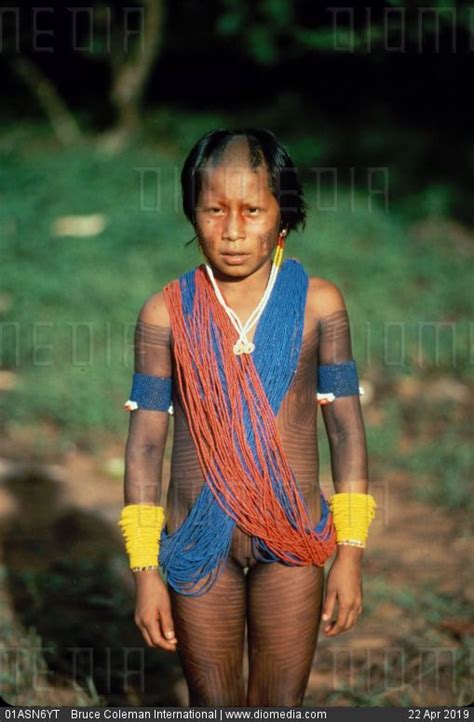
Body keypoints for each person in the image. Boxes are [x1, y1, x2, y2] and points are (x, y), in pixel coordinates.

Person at [118, 129, 376, 707]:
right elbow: (143, 449)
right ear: (192, 212)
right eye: (214, 210)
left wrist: (351, 554)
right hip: (194, 545)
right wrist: (144, 571)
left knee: (281, 704)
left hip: (293, 541)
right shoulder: (166, 313)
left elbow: (347, 433)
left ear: (283, 215)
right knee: (214, 705)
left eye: (252, 210)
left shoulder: (319, 304)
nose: (232, 230)